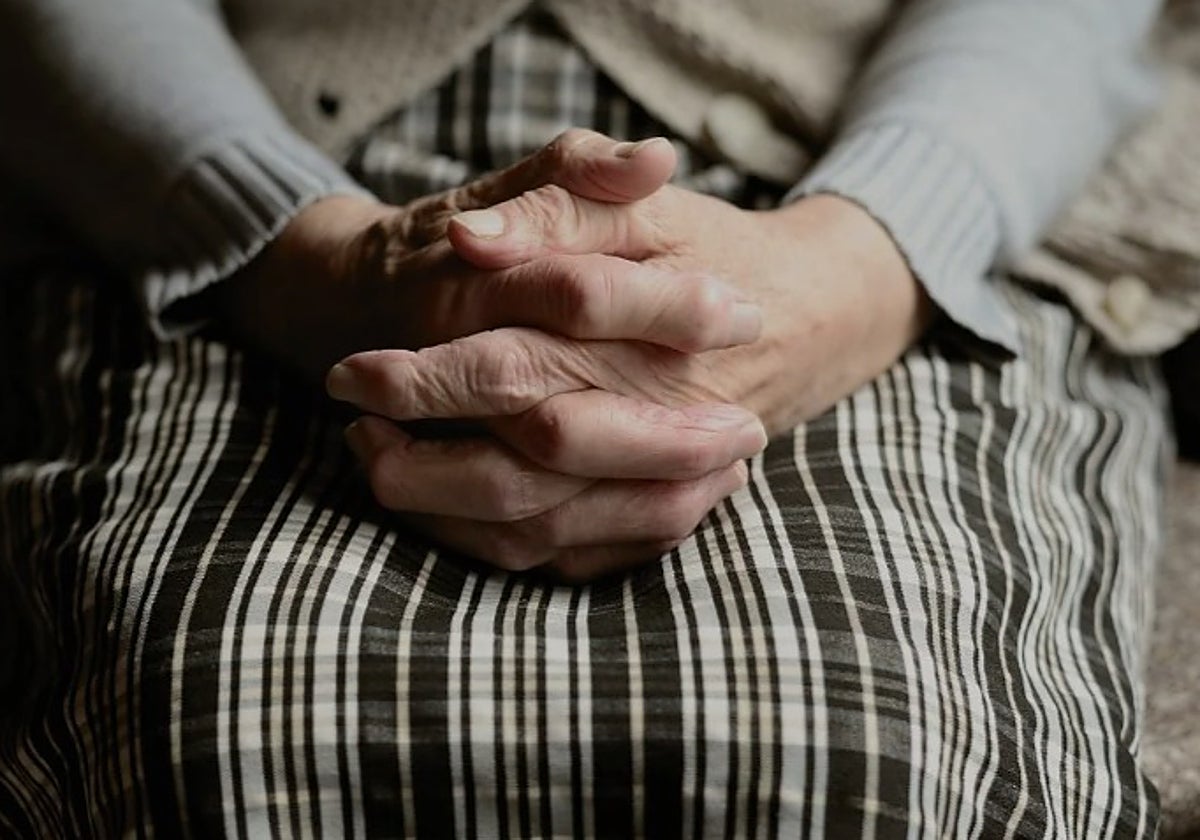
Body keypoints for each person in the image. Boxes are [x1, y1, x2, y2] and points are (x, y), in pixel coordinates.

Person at [0, 0, 1170, 836]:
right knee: (216, 748)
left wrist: (857, 263)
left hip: (871, 185)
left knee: (876, 765)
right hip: (245, 176)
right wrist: (307, 256)